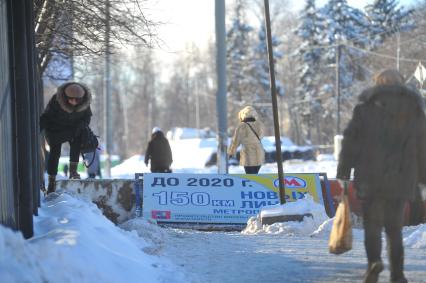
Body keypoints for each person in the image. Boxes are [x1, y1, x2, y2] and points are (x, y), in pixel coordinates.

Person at [336, 69, 426, 283]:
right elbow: (423, 146)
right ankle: (397, 275)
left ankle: (373, 264)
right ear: (402, 84)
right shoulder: (414, 110)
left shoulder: (364, 109)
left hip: (370, 178)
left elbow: (350, 143)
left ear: (378, 84)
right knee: (395, 229)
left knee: (372, 226)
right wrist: (422, 179)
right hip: (402, 178)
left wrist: (344, 172)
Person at [40, 82, 92, 194]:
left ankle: (73, 172)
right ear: (65, 96)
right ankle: (52, 182)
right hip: (55, 129)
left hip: (73, 129)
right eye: (71, 99)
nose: (74, 102)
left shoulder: (85, 103)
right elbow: (46, 116)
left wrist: (81, 126)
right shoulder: (56, 100)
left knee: (76, 145)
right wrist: (38, 128)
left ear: (81, 99)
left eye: (77, 100)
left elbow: (87, 117)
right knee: (55, 153)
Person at [228, 106, 265, 174]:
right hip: (259, 152)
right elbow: (261, 136)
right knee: (255, 174)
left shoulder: (242, 126)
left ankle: (252, 184)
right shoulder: (260, 124)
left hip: (248, 153)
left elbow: (235, 141)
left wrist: (231, 152)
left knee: (250, 175)